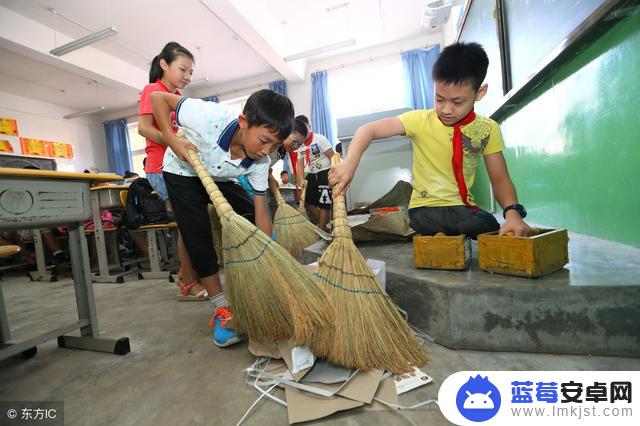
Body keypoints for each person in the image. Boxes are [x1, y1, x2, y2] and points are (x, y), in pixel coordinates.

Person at [329, 42, 530, 238]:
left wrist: (513, 214)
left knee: (487, 223)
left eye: (457, 101)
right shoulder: (420, 120)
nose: (446, 109)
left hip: (461, 208)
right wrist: (350, 163)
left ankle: (445, 235)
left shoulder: (488, 129)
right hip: (424, 209)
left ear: (480, 93)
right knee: (456, 223)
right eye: (439, 98)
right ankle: (446, 233)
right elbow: (368, 129)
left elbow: (500, 179)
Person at [151, 88, 294, 347]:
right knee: (197, 235)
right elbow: (158, 99)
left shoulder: (260, 161)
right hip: (182, 170)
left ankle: (252, 289)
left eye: (274, 145)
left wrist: (270, 255)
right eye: (263, 140)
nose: (267, 151)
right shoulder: (208, 117)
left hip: (219, 175)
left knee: (249, 212)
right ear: (243, 123)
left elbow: (261, 213)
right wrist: (173, 140)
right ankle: (221, 308)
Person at [137, 42, 203, 298]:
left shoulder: (177, 98)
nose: (186, 77)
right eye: (182, 69)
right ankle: (188, 280)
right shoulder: (152, 90)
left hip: (178, 165)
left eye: (190, 73)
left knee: (194, 221)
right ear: (164, 64)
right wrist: (174, 141)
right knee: (190, 223)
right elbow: (144, 128)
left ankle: (187, 275)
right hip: (160, 167)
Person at [293, 115, 335, 231]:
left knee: (324, 202)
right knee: (308, 201)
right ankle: (324, 226)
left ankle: (321, 228)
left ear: (309, 127)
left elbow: (333, 156)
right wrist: (301, 179)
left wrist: (334, 174)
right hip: (312, 173)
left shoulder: (320, 139)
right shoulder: (300, 144)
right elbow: (300, 162)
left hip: (325, 171)